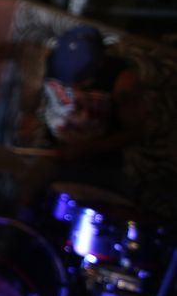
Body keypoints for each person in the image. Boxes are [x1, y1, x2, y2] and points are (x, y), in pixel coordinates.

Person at [11, 24, 145, 218]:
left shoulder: (122, 80)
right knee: (24, 192)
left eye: (81, 81)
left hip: (102, 165)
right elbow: (30, 98)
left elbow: (136, 133)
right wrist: (28, 117)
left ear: (99, 64)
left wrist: (89, 147)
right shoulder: (46, 61)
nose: (73, 87)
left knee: (121, 209)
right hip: (54, 155)